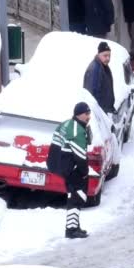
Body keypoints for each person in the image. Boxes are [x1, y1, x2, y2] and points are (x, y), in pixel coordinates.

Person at [46, 102, 92, 239]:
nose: (89, 116)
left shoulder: (66, 124)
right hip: (70, 167)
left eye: (89, 113)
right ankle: (71, 230)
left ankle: (74, 226)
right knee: (77, 196)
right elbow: (80, 156)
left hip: (59, 164)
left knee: (74, 194)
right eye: (86, 114)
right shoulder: (77, 131)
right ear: (79, 114)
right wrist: (84, 173)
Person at [83, 41, 116, 114]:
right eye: (105, 55)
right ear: (99, 55)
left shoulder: (103, 66)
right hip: (100, 114)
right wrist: (99, 114)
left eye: (109, 56)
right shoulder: (95, 69)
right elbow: (92, 94)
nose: (108, 58)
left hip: (105, 112)